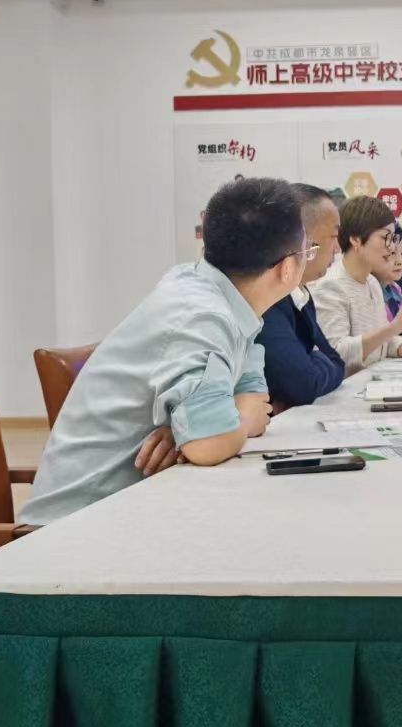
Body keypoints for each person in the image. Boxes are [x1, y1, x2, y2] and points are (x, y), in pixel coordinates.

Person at [20, 177, 305, 525]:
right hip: (73, 527)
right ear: (287, 268)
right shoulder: (202, 316)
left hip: (134, 507)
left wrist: (207, 423)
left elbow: (254, 398)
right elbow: (210, 442)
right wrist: (222, 424)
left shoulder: (220, 298)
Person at [310, 195, 402, 371]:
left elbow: (383, 343)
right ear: (356, 240)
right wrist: (396, 326)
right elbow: (336, 353)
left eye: (393, 238)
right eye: (385, 237)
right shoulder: (330, 286)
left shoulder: (372, 283)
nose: (392, 248)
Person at [256, 184, 347, 407]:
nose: (337, 248)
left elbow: (337, 362)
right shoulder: (268, 298)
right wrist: (316, 360)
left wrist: (314, 361)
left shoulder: (300, 294)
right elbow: (303, 385)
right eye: (334, 236)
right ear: (305, 240)